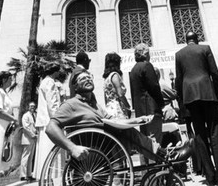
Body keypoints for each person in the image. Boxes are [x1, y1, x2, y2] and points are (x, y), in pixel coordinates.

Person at [46, 69, 195, 166]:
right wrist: (72, 148)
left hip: (106, 140)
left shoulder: (95, 105)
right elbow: (50, 128)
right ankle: (166, 156)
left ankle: (164, 154)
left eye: (89, 77)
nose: (88, 79)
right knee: (128, 133)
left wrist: (136, 120)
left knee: (128, 130)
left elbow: (114, 120)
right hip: (96, 145)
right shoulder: (71, 105)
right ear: (76, 87)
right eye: (82, 79)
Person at [175, 30, 218, 186]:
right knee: (214, 130)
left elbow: (179, 80)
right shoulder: (205, 49)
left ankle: (210, 176)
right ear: (197, 39)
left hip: (190, 96)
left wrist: (182, 99)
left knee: (199, 133)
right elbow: (214, 72)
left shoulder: (179, 54)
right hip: (207, 92)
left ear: (186, 40)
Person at [33, 62, 61, 186]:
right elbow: (52, 104)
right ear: (54, 71)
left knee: (45, 159)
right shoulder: (49, 82)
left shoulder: (44, 82)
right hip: (49, 123)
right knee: (47, 158)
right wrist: (58, 120)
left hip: (44, 122)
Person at [130, 43, 165, 145]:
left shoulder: (133, 69)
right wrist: (161, 103)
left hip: (141, 111)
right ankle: (155, 161)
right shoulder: (147, 65)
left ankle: (146, 161)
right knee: (154, 140)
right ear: (145, 54)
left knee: (144, 141)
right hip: (151, 109)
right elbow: (154, 87)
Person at [103, 52, 131, 119]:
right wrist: (127, 106)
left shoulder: (106, 78)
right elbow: (120, 94)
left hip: (109, 108)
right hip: (117, 108)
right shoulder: (115, 75)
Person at [20, 102, 37, 181]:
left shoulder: (35, 115)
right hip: (28, 138)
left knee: (31, 157)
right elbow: (25, 127)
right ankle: (23, 175)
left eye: (33, 106)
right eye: (31, 106)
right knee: (25, 157)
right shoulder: (25, 116)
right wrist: (32, 135)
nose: (32, 108)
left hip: (33, 139)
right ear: (28, 107)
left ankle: (29, 174)